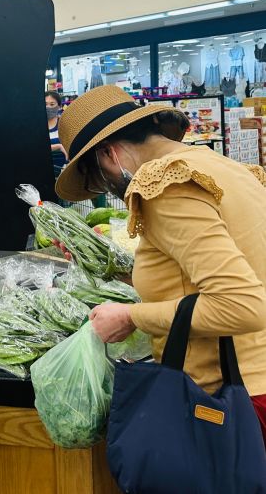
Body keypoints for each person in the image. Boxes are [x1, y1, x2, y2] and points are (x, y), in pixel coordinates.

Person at [55, 85, 266, 439]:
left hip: (232, 399)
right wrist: (115, 271)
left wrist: (129, 317)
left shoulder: (166, 185)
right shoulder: (216, 166)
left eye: (97, 180)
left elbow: (243, 304)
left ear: (109, 154)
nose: (108, 190)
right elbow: (197, 275)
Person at [45, 91, 67, 174]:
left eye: (52, 104)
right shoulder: (35, 127)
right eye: (45, 104)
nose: (48, 107)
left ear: (59, 106)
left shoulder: (64, 125)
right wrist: (58, 146)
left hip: (63, 170)